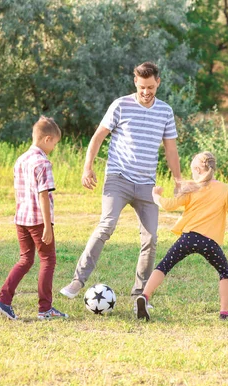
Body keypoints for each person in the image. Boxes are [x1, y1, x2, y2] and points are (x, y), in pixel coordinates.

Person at [60, 62, 182, 304]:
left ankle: (140, 295)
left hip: (147, 184)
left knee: (150, 238)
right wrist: (88, 167)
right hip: (118, 178)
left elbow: (171, 150)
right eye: (142, 86)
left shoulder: (165, 111)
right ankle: (77, 280)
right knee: (107, 225)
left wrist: (178, 181)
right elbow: (97, 138)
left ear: (158, 82)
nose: (146, 91)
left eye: (150, 86)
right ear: (135, 82)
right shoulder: (120, 105)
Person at [135, 151, 228, 321]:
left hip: (188, 238)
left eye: (193, 170)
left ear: (197, 169)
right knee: (224, 272)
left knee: (164, 265)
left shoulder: (190, 188)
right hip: (210, 242)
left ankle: (144, 296)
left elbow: (169, 205)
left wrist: (156, 196)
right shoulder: (224, 189)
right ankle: (224, 312)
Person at [0, 116, 68, 320]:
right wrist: (47, 226)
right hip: (38, 221)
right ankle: (45, 309)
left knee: (25, 259)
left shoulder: (21, 159)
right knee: (48, 260)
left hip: (21, 219)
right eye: (55, 143)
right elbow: (43, 195)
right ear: (47, 139)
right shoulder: (43, 162)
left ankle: (3, 301)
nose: (54, 147)